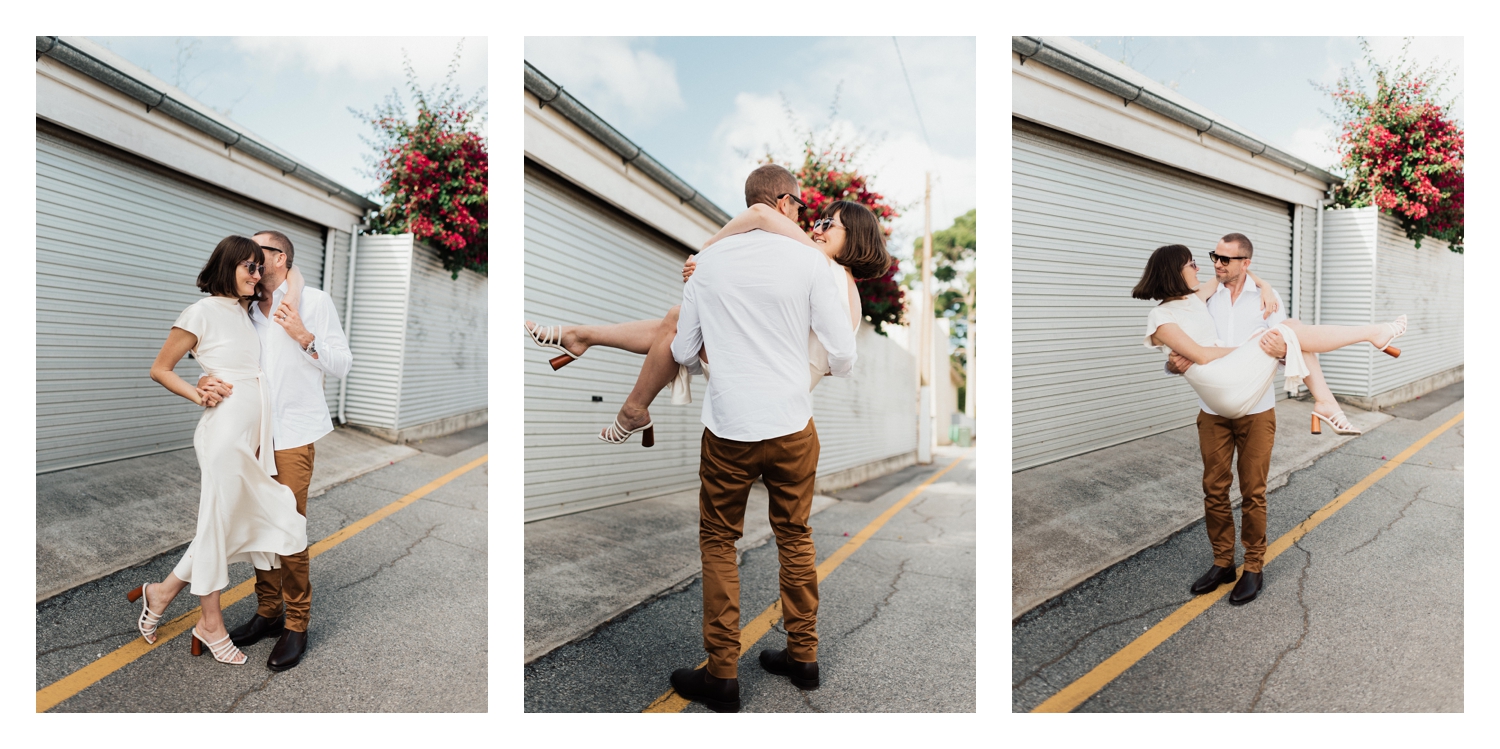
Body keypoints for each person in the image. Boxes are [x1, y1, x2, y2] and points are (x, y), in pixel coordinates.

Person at [662, 163, 857, 712]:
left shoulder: (707, 264)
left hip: (728, 428)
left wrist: (721, 357)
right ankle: (804, 658)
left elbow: (680, 352)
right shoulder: (810, 264)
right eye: (801, 205)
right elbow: (843, 357)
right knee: (794, 536)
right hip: (793, 424)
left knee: (719, 542)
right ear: (782, 201)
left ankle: (723, 675)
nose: (805, 216)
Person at [1133, 237, 1406, 605]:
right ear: (1175, 272)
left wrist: (1262, 289)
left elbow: (1285, 352)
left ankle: (1254, 566)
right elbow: (1189, 354)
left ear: (1244, 262)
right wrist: (1249, 345)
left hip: (1256, 405)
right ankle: (1222, 563)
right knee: (1214, 490)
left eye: (1224, 259)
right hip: (1216, 403)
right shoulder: (1198, 299)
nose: (1211, 265)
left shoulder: (1259, 298)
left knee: (1253, 491)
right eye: (1204, 260)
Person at [523, 179, 888, 446]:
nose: (816, 227)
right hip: (772, 374)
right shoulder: (842, 282)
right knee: (675, 319)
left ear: (854, 236)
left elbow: (760, 212)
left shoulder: (822, 268)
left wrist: (708, 251)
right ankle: (583, 339)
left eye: (828, 224)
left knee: (676, 319)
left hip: (763, 378)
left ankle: (629, 403)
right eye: (817, 221)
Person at [127, 236, 309, 665]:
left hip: (252, 436)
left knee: (227, 524)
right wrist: (198, 391)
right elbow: (160, 368)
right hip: (225, 433)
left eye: (260, 268)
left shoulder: (244, 310)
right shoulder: (201, 311)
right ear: (228, 267)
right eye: (249, 267)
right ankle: (210, 623)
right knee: (220, 525)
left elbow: (293, 273)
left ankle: (161, 591)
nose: (257, 275)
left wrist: (287, 284)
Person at [199, 229, 352, 672]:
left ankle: (297, 622)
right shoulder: (243, 307)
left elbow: (343, 364)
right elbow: (219, 349)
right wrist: (205, 376)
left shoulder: (314, 302)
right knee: (257, 527)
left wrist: (304, 335)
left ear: (279, 258)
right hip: (249, 434)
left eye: (258, 253)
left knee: (288, 528)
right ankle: (269, 612)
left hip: (291, 435)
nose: (250, 259)